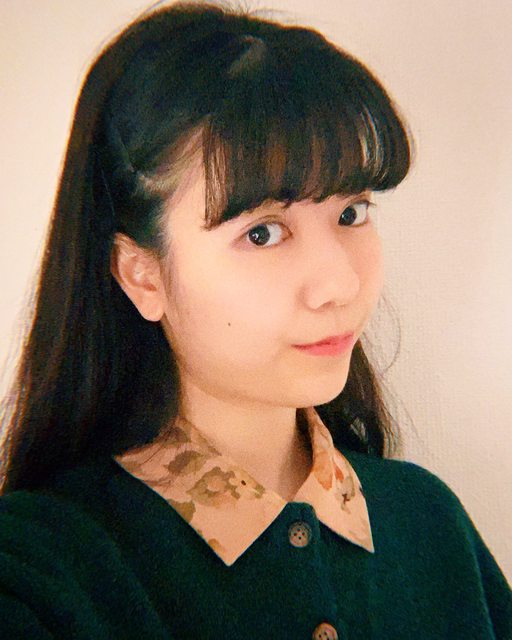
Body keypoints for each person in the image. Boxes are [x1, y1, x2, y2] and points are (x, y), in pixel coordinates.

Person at [0, 2, 510, 638]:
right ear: (142, 276)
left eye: (351, 213)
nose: (341, 283)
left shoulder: (428, 524)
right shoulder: (39, 572)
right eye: (263, 232)